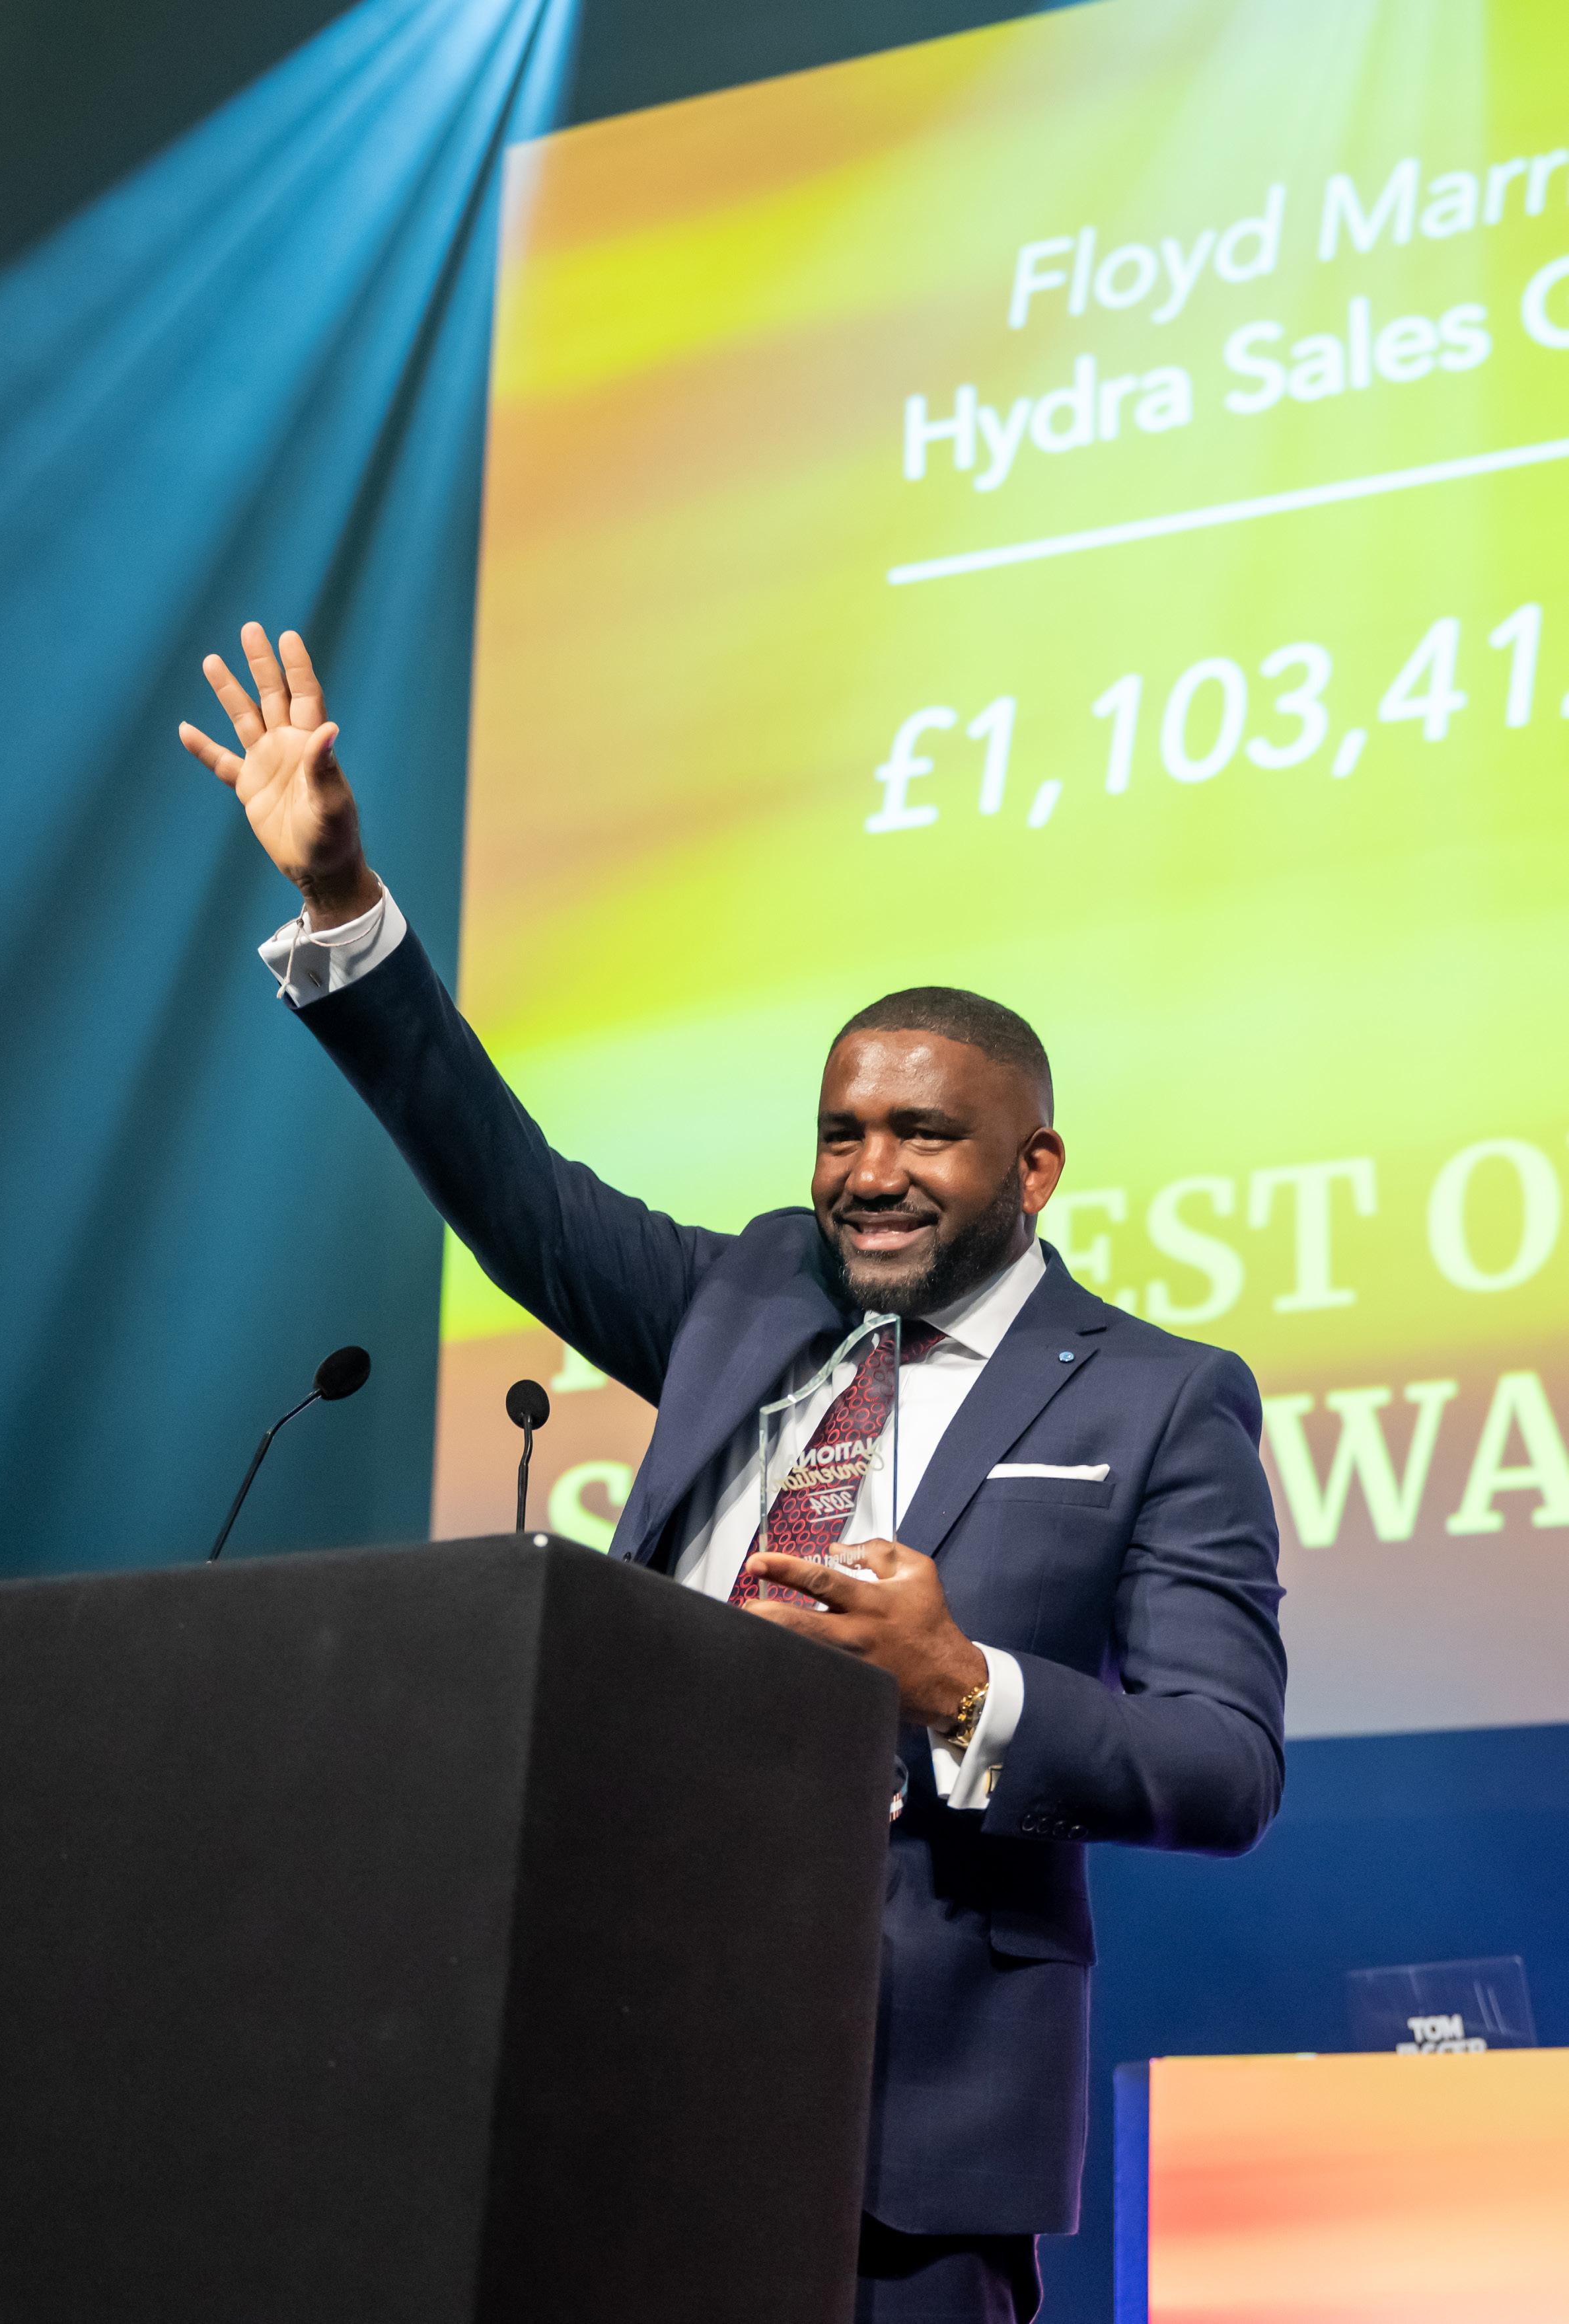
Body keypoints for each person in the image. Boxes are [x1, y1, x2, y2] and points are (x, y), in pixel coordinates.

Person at [180, 624, 1287, 2324]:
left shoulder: (1159, 1397)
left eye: (925, 1134)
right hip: (611, 2035)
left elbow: (1226, 1766)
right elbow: (508, 1179)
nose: (869, 1171)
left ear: (1035, 1167)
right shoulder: (753, 1292)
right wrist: (341, 897)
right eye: (844, 1131)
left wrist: (964, 1683)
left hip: (905, 2114)